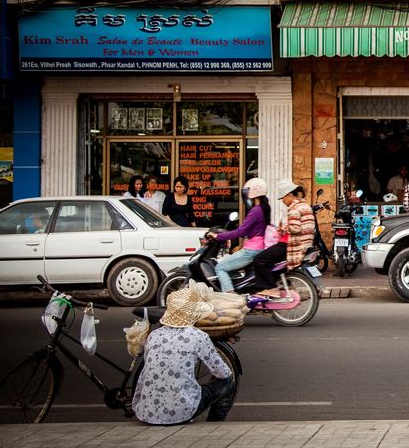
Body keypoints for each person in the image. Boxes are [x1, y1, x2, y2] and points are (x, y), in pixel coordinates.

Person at [131, 287, 235, 425]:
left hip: (146, 412)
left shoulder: (153, 336)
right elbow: (223, 373)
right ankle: (214, 424)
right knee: (229, 381)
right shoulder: (198, 337)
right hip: (181, 413)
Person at [252, 180, 316, 294]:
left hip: (290, 244)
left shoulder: (294, 209)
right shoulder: (305, 205)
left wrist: (283, 228)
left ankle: (270, 288)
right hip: (303, 243)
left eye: (283, 198)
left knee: (259, 260)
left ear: (290, 195)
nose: (283, 201)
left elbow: (295, 229)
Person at [207, 177, 271, 292]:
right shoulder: (263, 209)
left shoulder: (255, 211)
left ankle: (231, 299)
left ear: (252, 193)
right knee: (230, 267)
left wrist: (218, 236)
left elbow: (240, 232)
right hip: (258, 247)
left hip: (251, 250)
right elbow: (246, 232)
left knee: (220, 268)